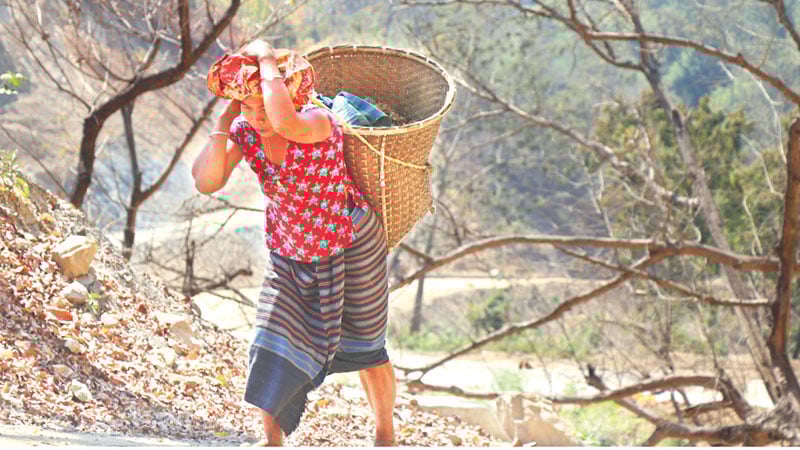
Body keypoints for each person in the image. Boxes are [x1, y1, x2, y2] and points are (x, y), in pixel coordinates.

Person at [191, 39, 396, 447]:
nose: (258, 117)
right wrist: (230, 112)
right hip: (289, 247)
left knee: (366, 345)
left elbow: (284, 122)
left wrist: (265, 56)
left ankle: (385, 434)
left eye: (262, 104)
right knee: (270, 339)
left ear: (292, 95)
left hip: (350, 241)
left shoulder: (318, 121)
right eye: (249, 107)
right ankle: (272, 439)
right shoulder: (246, 130)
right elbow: (207, 180)